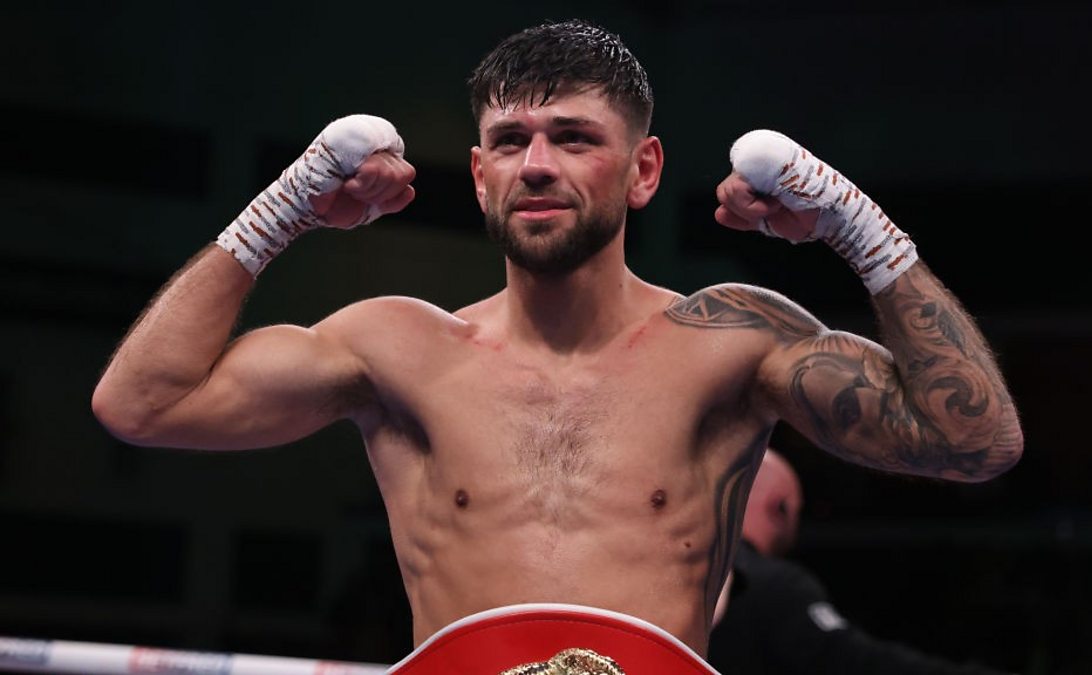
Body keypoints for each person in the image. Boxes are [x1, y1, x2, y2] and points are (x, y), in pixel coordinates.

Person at [91, 19, 1023, 673]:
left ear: (643, 170)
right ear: (480, 174)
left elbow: (974, 441)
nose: (536, 164)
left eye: (574, 137)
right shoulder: (397, 347)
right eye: (510, 140)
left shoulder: (733, 342)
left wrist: (862, 230)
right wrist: (283, 207)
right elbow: (142, 402)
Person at [708, 449, 1018, 674]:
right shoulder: (773, 586)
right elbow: (856, 664)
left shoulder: (689, 577)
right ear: (780, 508)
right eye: (797, 513)